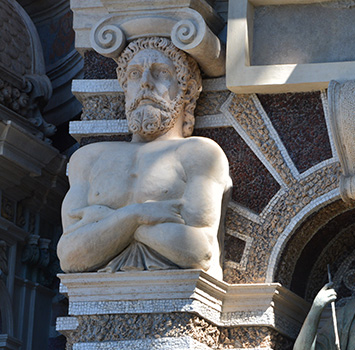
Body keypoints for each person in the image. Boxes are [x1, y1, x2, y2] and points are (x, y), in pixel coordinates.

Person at [57, 37, 232, 280]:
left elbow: (199, 251)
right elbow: (70, 257)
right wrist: (138, 215)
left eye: (160, 73)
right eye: (135, 75)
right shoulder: (88, 159)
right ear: (125, 88)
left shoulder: (199, 154)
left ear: (187, 90)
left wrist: (108, 223)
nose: (145, 84)